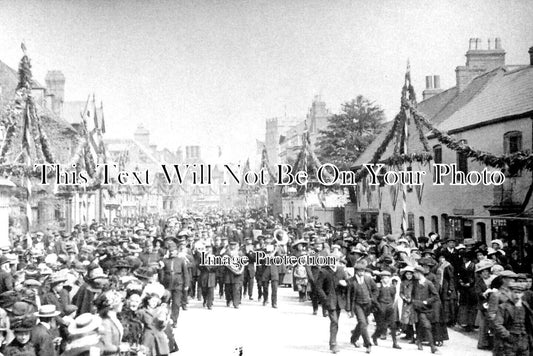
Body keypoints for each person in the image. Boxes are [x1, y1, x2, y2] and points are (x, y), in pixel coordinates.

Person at [316, 255, 347, 354]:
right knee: (334, 322)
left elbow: (348, 283)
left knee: (335, 322)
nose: (333, 262)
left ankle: (332, 342)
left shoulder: (341, 270)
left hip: (338, 301)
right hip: (329, 300)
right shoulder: (324, 271)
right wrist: (325, 299)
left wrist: (345, 284)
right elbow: (318, 287)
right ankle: (333, 344)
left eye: (335, 260)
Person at [347, 262, 377, 354]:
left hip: (367, 304)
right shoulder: (351, 281)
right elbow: (348, 295)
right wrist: (348, 309)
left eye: (363, 270)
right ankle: (367, 344)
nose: (361, 272)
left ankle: (353, 338)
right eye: (359, 271)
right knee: (363, 322)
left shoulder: (368, 279)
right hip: (357, 304)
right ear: (356, 271)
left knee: (363, 323)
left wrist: (372, 299)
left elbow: (375, 289)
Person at [493, 281, 529, 356]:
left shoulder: (525, 306)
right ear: (510, 292)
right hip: (509, 341)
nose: (517, 295)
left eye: (519, 293)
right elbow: (498, 324)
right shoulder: (503, 307)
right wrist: (507, 335)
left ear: (522, 294)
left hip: (523, 339)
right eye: (515, 292)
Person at [158, 241, 189, 325]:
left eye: (173, 250)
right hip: (167, 284)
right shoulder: (164, 260)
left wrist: (186, 284)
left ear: (177, 251)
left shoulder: (181, 260)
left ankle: (174, 320)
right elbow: (161, 273)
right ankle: (164, 320)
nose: (172, 252)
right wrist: (161, 282)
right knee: (165, 303)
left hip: (178, 284)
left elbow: (185, 273)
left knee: (176, 303)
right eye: (170, 251)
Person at [372, 270, 401, 349]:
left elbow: (393, 296)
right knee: (381, 326)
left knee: (393, 325)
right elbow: (375, 298)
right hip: (381, 307)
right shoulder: (379, 287)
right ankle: (375, 336)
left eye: (387, 278)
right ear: (381, 279)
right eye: (384, 278)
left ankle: (395, 343)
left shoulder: (392, 287)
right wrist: (378, 306)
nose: (386, 280)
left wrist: (392, 305)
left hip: (390, 307)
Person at [412, 265, 438, 354]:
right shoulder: (414, 283)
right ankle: (428, 345)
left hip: (426, 309)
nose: (414, 275)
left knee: (423, 325)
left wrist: (427, 302)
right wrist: (413, 301)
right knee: (423, 325)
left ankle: (424, 343)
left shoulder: (429, 283)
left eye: (415, 273)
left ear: (419, 273)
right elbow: (412, 294)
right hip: (416, 308)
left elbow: (435, 296)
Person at [94, 290, 129, 356]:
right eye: (120, 302)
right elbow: (106, 346)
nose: (122, 304)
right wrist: (120, 348)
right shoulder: (105, 321)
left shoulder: (114, 319)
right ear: (113, 304)